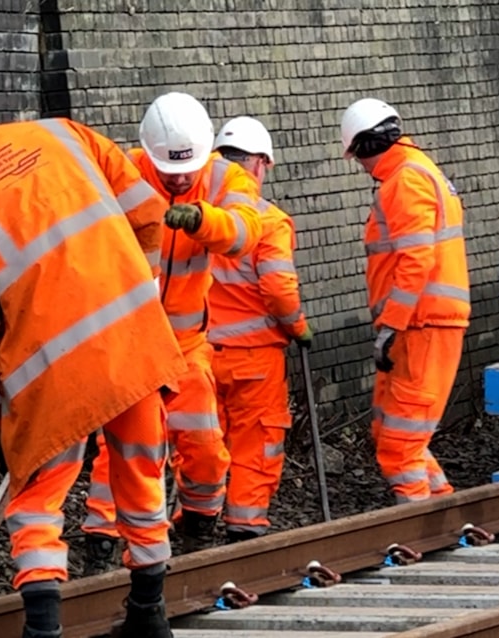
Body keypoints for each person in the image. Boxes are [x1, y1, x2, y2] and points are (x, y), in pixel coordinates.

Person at [0, 92, 189, 638]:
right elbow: (147, 212)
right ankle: (149, 612)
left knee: (37, 496)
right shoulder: (64, 133)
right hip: (135, 341)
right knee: (141, 468)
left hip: (52, 363)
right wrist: (139, 295)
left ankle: (43, 630)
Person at [90, 91, 262, 552]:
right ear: (149, 155)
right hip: (131, 342)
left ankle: (199, 520)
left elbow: (245, 231)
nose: (182, 176)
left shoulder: (227, 178)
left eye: (189, 167)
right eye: (169, 169)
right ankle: (102, 534)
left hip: (186, 346)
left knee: (204, 444)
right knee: (123, 447)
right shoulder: (122, 173)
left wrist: (204, 221)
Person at [338, 97, 472, 505]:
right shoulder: (420, 172)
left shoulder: (404, 181)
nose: (361, 167)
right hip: (422, 324)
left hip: (420, 325)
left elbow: (416, 260)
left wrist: (392, 324)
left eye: (357, 157)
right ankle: (439, 510)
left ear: (364, 147)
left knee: (399, 445)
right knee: (396, 435)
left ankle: (417, 527)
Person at [205, 116, 312, 542]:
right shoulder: (268, 221)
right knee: (256, 439)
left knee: (202, 442)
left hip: (199, 352)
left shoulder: (197, 217)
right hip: (255, 356)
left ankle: (196, 518)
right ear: (259, 164)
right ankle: (245, 525)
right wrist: (298, 328)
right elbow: (279, 289)